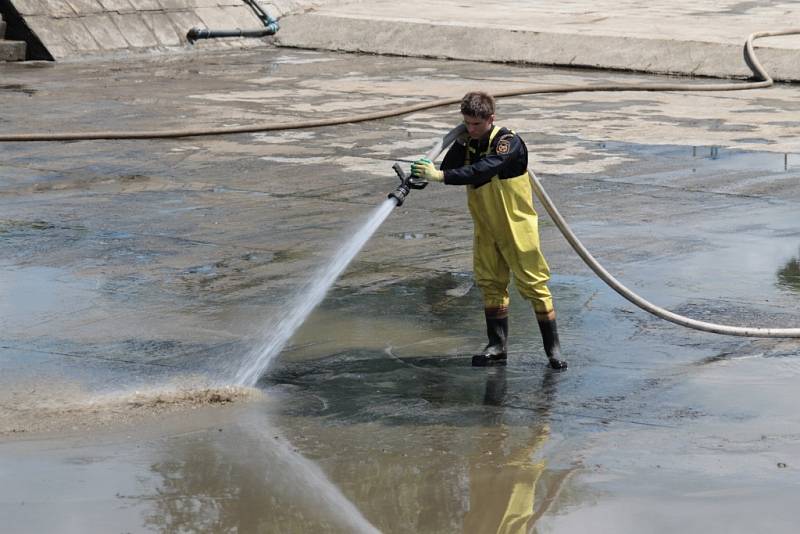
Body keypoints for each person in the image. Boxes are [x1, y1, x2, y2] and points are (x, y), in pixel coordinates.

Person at [411, 91, 567, 370]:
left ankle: (553, 350)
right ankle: (496, 346)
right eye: (466, 123)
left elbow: (484, 169)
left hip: (516, 227)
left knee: (534, 283)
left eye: (475, 125)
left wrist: (439, 176)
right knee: (490, 283)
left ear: (491, 119)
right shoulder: (470, 142)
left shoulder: (508, 143)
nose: (470, 129)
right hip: (485, 226)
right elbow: (451, 168)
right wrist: (455, 146)